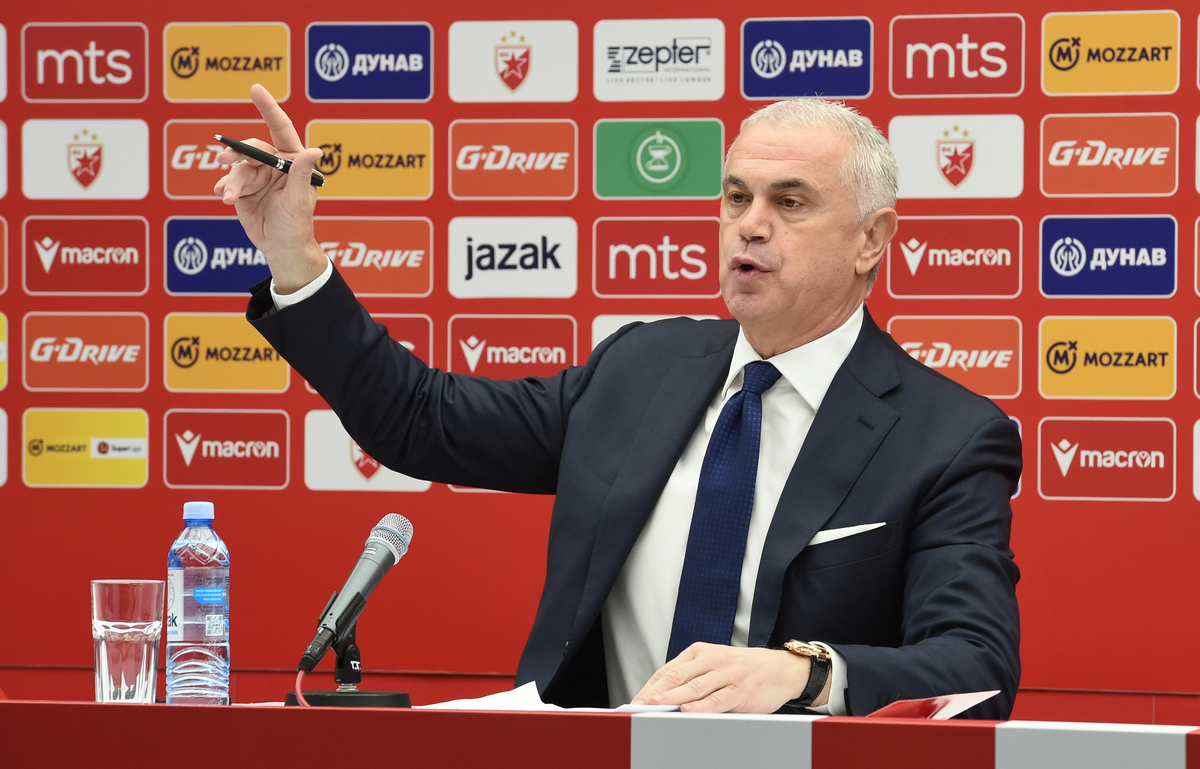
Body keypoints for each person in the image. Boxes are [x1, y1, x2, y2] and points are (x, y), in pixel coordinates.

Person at [219, 85, 1021, 718]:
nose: (750, 226)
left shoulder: (946, 437)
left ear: (872, 240)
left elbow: (977, 666)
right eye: (735, 197)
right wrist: (294, 255)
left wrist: (803, 673)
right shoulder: (641, 369)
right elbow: (419, 419)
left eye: (791, 202)